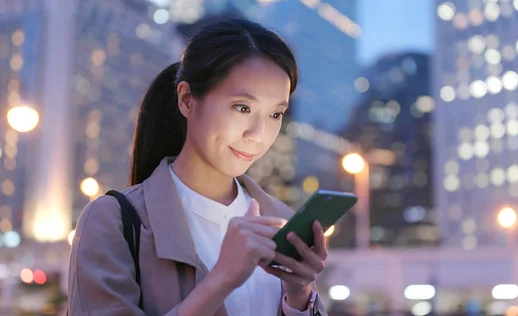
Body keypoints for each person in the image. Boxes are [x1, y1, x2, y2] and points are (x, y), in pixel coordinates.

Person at [67, 18, 328, 316]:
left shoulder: (281, 220)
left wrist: (299, 296)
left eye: (275, 114)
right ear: (188, 100)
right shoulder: (112, 220)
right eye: (242, 107)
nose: (258, 134)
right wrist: (222, 278)